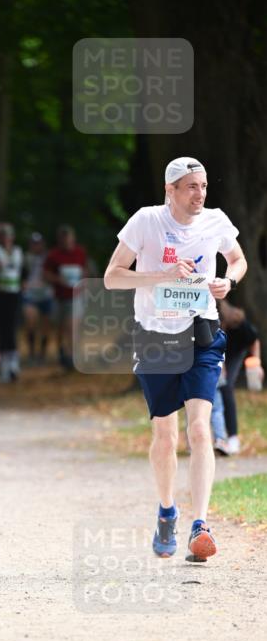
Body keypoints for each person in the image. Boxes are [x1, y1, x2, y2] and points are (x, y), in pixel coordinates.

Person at [104, 156, 247, 562]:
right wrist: (160, 277)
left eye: (203, 186)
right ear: (170, 190)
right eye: (190, 186)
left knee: (200, 430)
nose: (200, 194)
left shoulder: (216, 220)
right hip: (154, 337)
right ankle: (167, 510)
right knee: (165, 436)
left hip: (202, 335)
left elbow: (238, 260)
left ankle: (200, 525)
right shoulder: (146, 221)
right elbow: (113, 275)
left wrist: (227, 281)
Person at [213, 300, 262, 455]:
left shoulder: (238, 322)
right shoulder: (208, 322)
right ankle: (218, 437)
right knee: (218, 388)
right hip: (218, 354)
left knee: (226, 387)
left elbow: (254, 341)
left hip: (235, 353)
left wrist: (256, 363)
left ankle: (233, 438)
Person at [44, 224, 87, 370]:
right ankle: (62, 351)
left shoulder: (80, 252)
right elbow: (46, 274)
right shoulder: (53, 255)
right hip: (59, 296)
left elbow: (86, 269)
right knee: (60, 327)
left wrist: (83, 281)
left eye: (68, 239)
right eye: (63, 240)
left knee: (72, 325)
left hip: (75, 296)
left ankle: (72, 355)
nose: (66, 242)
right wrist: (58, 280)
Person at [0, 223, 23, 382]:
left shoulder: (18, 251)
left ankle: (13, 363)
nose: (6, 239)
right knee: (1, 329)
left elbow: (24, 272)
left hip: (15, 295)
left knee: (13, 328)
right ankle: (2, 364)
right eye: (3, 236)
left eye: (9, 236)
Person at [22, 232, 54, 364]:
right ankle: (31, 352)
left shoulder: (49, 257)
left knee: (45, 326)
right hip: (30, 294)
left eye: (38, 243)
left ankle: (42, 353)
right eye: (33, 244)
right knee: (31, 322)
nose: (36, 246)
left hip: (46, 294)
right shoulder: (25, 258)